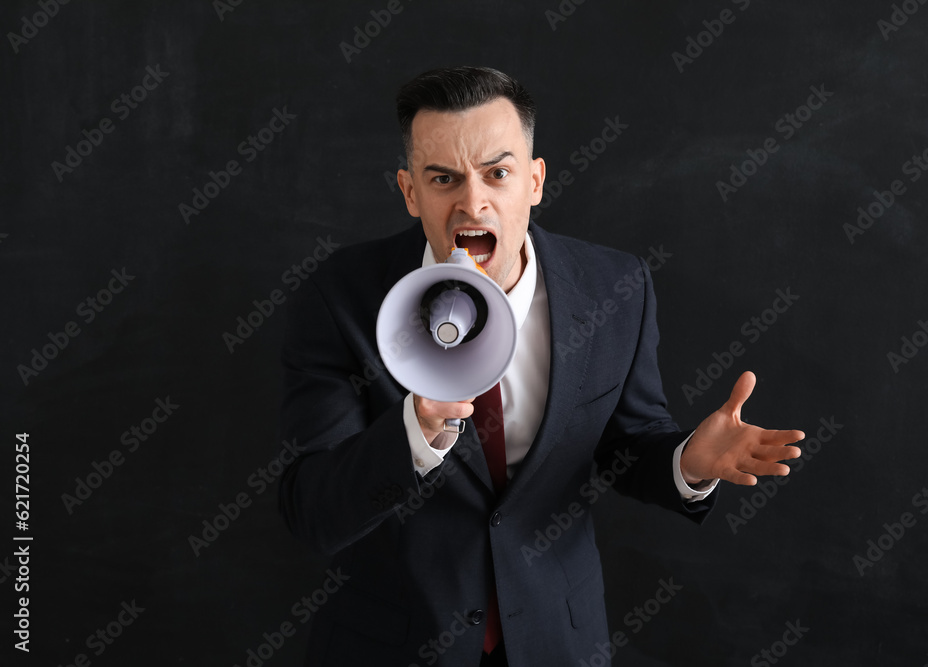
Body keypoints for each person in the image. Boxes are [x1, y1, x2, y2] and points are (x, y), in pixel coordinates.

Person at [278, 66, 804, 667]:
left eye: (497, 174)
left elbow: (626, 444)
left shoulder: (617, 287)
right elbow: (311, 511)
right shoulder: (338, 297)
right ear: (409, 192)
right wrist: (413, 435)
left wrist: (688, 462)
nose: (472, 202)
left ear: (534, 180)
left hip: (557, 641)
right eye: (443, 178)